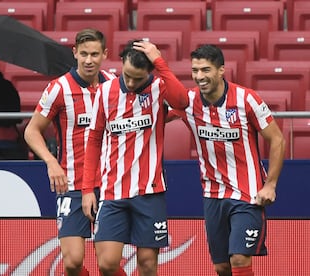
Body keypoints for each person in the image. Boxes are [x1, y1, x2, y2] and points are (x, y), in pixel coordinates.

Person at [143, 44, 286, 276]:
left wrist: (270, 184)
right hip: (212, 196)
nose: (200, 76)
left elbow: (277, 140)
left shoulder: (246, 99)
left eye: (206, 70)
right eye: (195, 70)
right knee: (221, 267)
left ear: (221, 70)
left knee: (239, 259)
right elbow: (154, 116)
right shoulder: (188, 102)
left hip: (247, 194)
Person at [81, 40, 188, 276]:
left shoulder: (160, 88)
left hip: (149, 192)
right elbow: (94, 141)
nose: (130, 82)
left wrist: (159, 61)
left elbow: (182, 102)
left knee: (148, 265)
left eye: (137, 79)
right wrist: (88, 188)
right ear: (121, 63)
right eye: (127, 75)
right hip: (112, 192)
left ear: (150, 73)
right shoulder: (105, 92)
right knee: (107, 264)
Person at [24, 29, 125, 276]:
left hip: (109, 184)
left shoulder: (115, 85)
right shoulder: (59, 88)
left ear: (104, 54)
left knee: (108, 265)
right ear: (74, 53)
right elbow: (31, 131)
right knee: (72, 263)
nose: (88, 60)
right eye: (83, 54)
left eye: (94, 54)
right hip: (71, 183)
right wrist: (50, 162)